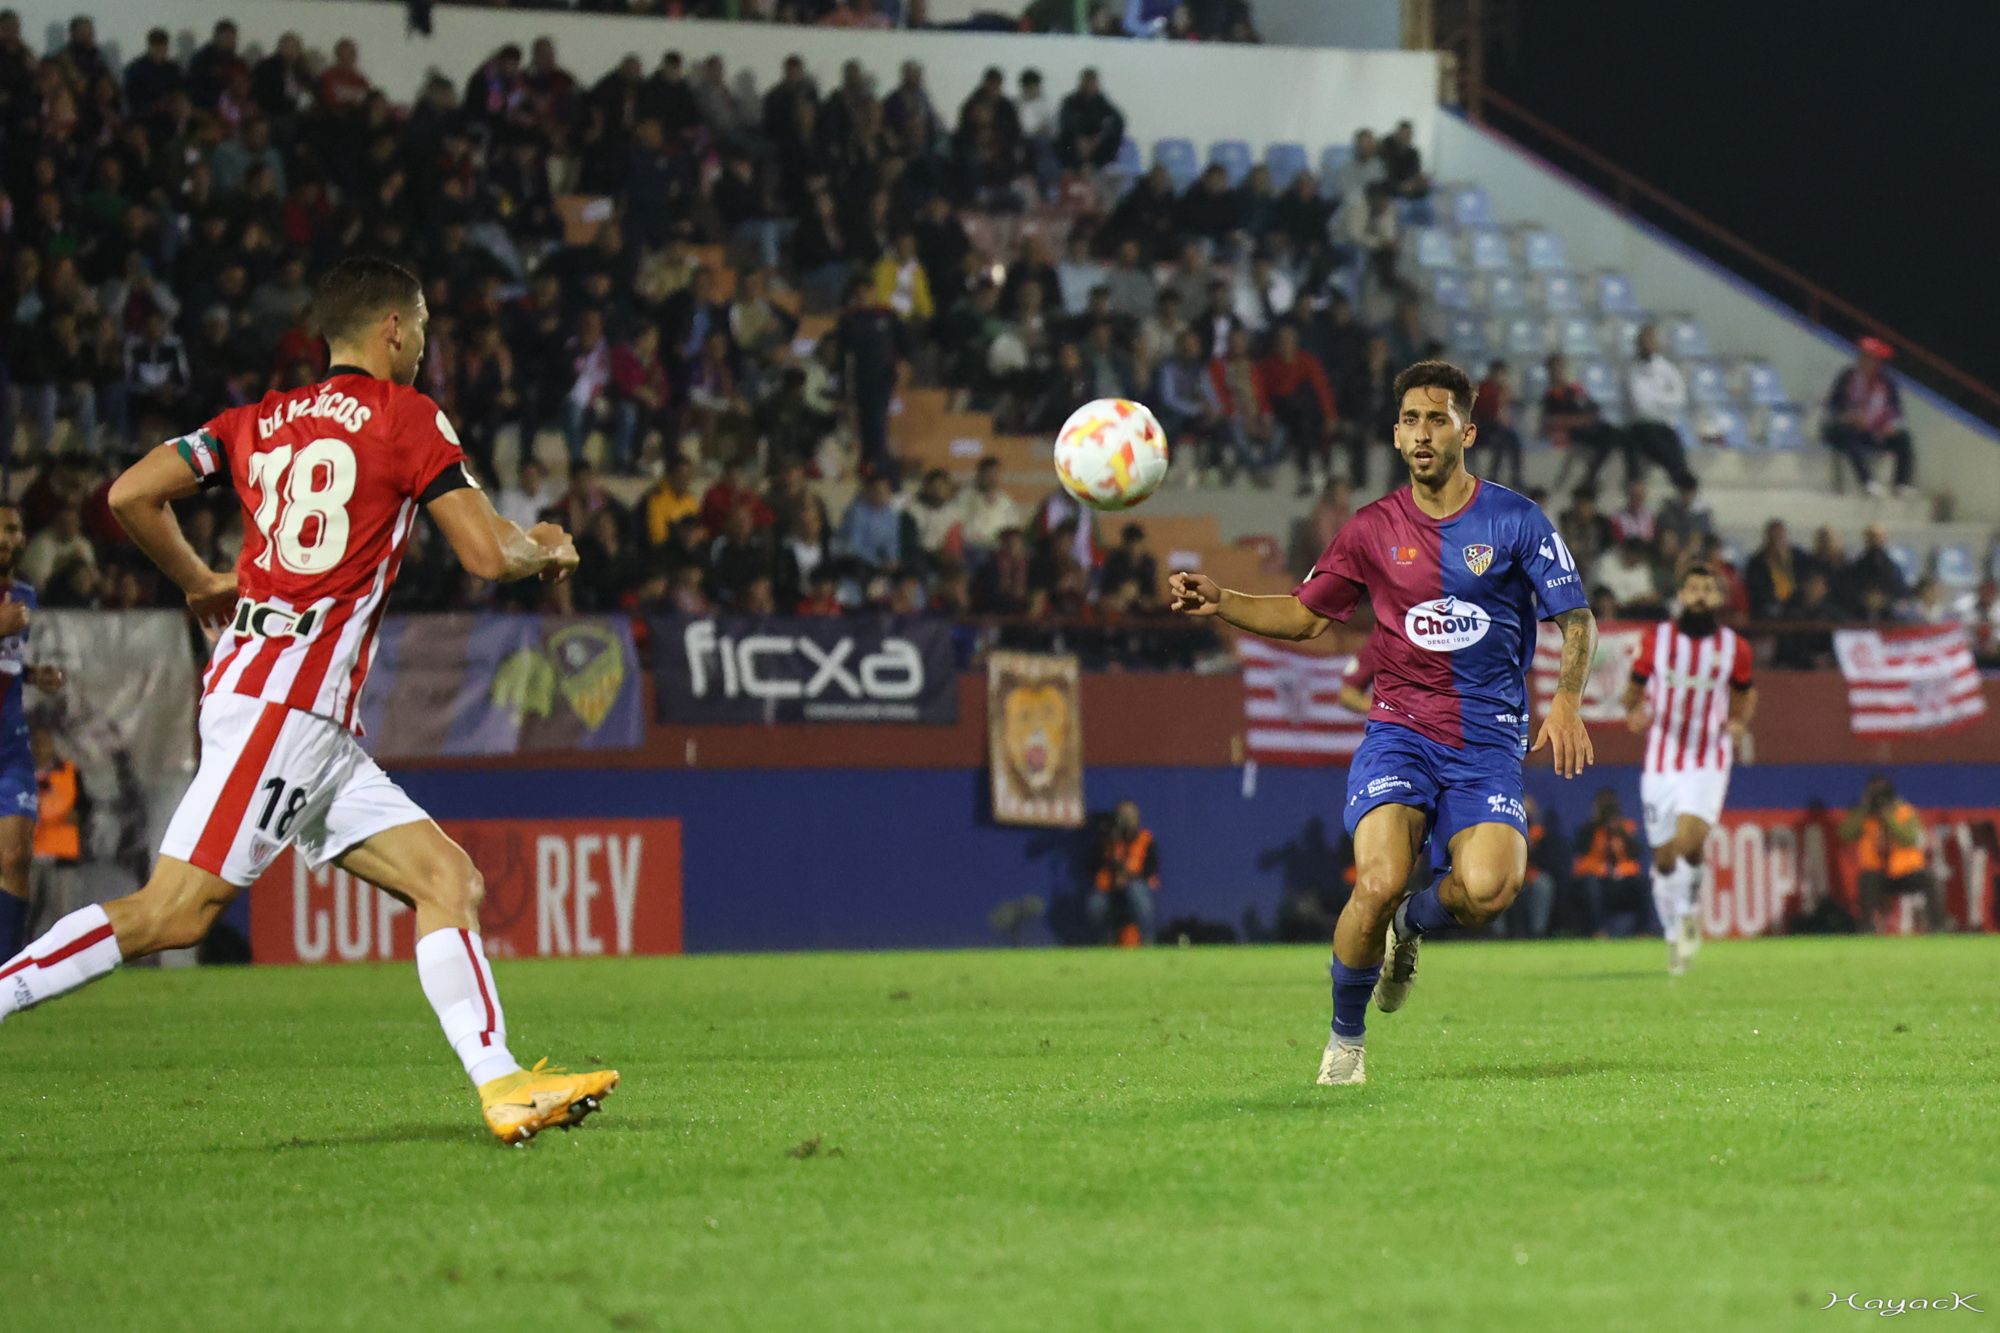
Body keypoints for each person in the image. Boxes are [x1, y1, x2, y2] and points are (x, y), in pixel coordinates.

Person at [0, 258, 618, 1145]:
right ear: (394, 331)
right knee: (173, 910)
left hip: (298, 714)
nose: (427, 344)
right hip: (286, 708)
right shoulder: (407, 417)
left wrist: (199, 582)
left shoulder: (258, 421)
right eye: (426, 327)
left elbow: (130, 492)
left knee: (449, 879)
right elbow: (486, 554)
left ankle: (504, 1082)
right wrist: (547, 554)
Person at [1168, 359, 1597, 1086]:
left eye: (1437, 418)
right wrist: (1223, 599)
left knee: (1491, 887)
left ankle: (1413, 925)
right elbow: (1305, 618)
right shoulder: (1370, 530)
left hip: (1488, 739)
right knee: (1376, 879)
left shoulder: (1515, 519)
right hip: (1399, 731)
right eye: (1409, 420)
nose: (1422, 433)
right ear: (1395, 435)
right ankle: (1345, 1042)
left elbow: (1576, 618)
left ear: (1468, 428)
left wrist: (1565, 699)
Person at [1621, 564, 1756, 974]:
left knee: (1687, 840)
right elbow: (1634, 687)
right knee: (1665, 857)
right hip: (1661, 759)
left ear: (1718, 599)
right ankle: (1676, 927)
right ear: (1680, 595)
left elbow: (1745, 694)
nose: (1699, 595)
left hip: (1707, 758)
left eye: (1707, 590)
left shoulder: (1735, 647)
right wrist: (1632, 712)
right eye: (1693, 588)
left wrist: (1738, 723)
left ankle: (1684, 918)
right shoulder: (1656, 640)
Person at [0, 504, 67, 959]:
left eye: (15, 528)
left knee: (16, 859)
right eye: (2, 529)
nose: (9, 537)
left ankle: (5, 976)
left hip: (9, 747)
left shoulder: (23, 594)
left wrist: (29, 674)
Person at [1838, 775, 1944, 932]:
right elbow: (1845, 834)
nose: (1878, 797)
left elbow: (1909, 838)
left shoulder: (1903, 811)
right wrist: (1864, 809)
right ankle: (1867, 927)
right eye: (1874, 792)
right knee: (1866, 879)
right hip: (1878, 873)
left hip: (1906, 872)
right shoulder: (1863, 814)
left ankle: (1939, 925)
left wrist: (1888, 816)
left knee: (1930, 878)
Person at [1823, 337, 1915, 497]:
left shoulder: (1886, 383)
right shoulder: (1847, 377)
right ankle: (1867, 481)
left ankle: (1901, 483)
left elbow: (1896, 411)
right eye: (1865, 357)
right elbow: (1833, 406)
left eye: (1872, 358)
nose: (1867, 362)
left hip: (1874, 429)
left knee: (1904, 438)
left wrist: (1891, 425)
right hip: (1847, 427)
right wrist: (1849, 416)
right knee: (1848, 434)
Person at [1622, 324, 1698, 491]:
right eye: (1644, 342)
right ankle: (1680, 482)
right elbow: (1640, 404)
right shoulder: (1631, 369)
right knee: (1658, 445)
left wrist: (1656, 399)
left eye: (1651, 341)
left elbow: (1679, 398)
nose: (1648, 346)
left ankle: (1683, 484)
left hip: (1665, 425)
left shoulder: (1667, 368)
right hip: (1641, 425)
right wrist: (1663, 399)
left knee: (1676, 448)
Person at [1572, 789, 1646, 938]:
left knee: (1642, 883)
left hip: (1621, 881)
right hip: (1598, 880)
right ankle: (1597, 931)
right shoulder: (1589, 830)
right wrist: (1596, 823)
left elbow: (1636, 853)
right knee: (1590, 885)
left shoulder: (1625, 828)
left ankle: (1642, 931)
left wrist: (1620, 832)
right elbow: (1581, 853)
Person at [1088, 801, 1157, 946]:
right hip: (1109, 889)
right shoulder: (1106, 840)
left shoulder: (1146, 839)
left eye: (1130, 816)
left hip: (1135, 885)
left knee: (1137, 892)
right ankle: (1102, 943)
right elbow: (1093, 866)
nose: (1126, 820)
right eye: (1122, 816)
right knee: (1096, 903)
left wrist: (1128, 878)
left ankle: (1148, 941)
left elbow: (1151, 869)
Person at [1471, 360, 1524, 490]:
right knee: (1502, 438)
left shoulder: (1503, 390)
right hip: (1482, 427)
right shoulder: (1484, 389)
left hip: (1497, 428)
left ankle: (1515, 476)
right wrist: (1500, 396)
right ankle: (1493, 476)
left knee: (1512, 439)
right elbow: (1486, 412)